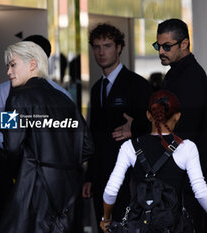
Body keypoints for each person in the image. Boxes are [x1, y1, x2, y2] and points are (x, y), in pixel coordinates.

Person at [0, 41, 92, 232]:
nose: (8, 72)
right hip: (68, 193)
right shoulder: (65, 99)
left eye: (13, 65)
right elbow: (88, 146)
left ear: (32, 64)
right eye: (7, 66)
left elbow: (11, 147)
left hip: (32, 190)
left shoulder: (14, 98)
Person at [0, 35, 73, 219]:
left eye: (14, 63)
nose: (10, 70)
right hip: (23, 178)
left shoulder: (19, 96)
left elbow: (13, 142)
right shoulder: (11, 93)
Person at [100, 90, 207, 232]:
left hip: (140, 226)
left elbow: (111, 189)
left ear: (148, 115)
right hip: (173, 226)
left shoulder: (130, 147)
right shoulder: (187, 147)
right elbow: (200, 192)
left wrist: (106, 218)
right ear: (177, 116)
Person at [83, 23, 151, 229]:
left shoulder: (137, 85)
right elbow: (94, 135)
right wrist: (90, 177)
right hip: (102, 178)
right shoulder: (96, 89)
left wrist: (136, 127)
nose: (101, 52)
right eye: (96, 47)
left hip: (129, 177)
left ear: (119, 47)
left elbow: (154, 125)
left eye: (107, 46)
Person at [154, 18, 207, 232]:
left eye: (167, 46)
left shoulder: (192, 77)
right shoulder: (176, 74)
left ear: (184, 44)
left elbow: (185, 130)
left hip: (186, 179)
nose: (161, 52)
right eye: (158, 46)